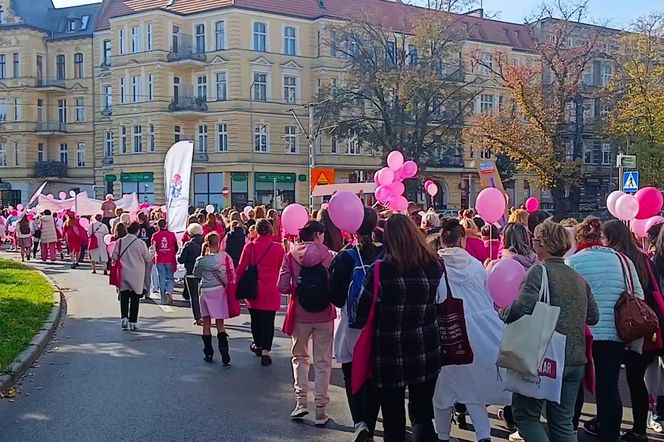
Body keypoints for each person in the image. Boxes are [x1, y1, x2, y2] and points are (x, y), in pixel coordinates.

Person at [504, 220, 599, 440]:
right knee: (563, 422)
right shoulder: (578, 277)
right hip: (575, 359)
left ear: (544, 244)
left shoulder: (539, 272)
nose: (533, 245)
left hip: (542, 357)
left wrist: (503, 312)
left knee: (526, 416)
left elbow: (522, 307)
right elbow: (593, 317)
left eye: (535, 240)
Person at [354, 214, 442, 442]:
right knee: (422, 413)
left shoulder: (380, 270)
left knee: (393, 416)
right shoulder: (434, 264)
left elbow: (360, 312)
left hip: (390, 352)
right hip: (426, 347)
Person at [432, 218, 511, 442]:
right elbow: (489, 298)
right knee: (473, 388)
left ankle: (443, 435)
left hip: (449, 335)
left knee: (443, 391)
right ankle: (484, 436)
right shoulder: (477, 267)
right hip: (478, 335)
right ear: (463, 240)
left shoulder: (437, 267)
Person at [566, 216, 644, 441]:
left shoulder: (574, 262)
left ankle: (570, 429)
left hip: (584, 333)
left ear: (579, 238)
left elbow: (570, 300)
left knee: (577, 384)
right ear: (602, 238)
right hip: (615, 333)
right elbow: (637, 295)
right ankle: (610, 434)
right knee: (609, 387)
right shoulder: (623, 261)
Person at [604, 220, 664, 442]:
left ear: (610, 238)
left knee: (617, 379)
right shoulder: (643, 258)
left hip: (625, 325)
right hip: (646, 324)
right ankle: (640, 428)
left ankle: (614, 425)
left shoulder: (617, 260)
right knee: (637, 380)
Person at [329, 207, 382, 441]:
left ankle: (359, 422)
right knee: (375, 375)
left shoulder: (345, 256)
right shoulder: (387, 253)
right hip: (380, 324)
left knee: (352, 374)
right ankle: (370, 420)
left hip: (352, 326)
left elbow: (337, 297)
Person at [278, 221, 335, 425]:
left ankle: (300, 403)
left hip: (300, 314)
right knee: (323, 362)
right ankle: (321, 410)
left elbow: (282, 286)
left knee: (300, 358)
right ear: (318, 234)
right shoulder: (330, 255)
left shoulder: (290, 255)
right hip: (324, 313)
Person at [236, 218, 285, 366]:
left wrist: (236, 285)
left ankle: (257, 344)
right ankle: (266, 351)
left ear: (256, 230)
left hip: (254, 289)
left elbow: (241, 268)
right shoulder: (278, 248)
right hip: (272, 289)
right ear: (270, 230)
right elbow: (282, 268)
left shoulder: (249, 247)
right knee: (269, 322)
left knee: (255, 320)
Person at [193, 232, 234, 367]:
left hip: (205, 290)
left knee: (206, 321)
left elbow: (196, 274)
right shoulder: (224, 257)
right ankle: (225, 354)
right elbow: (230, 273)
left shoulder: (201, 260)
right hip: (219, 289)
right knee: (220, 323)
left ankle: (208, 352)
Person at [112, 222, 152, 331]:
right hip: (137, 273)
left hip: (123, 272)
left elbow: (114, 256)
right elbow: (148, 258)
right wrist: (152, 252)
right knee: (135, 298)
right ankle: (133, 322)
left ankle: (124, 317)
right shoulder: (140, 243)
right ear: (138, 231)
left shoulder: (119, 241)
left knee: (124, 296)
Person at [152, 219, 178, 305]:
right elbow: (176, 246)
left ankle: (163, 299)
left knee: (161, 278)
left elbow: (152, 248)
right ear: (166, 225)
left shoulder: (155, 235)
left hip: (159, 258)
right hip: (169, 258)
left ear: (158, 226)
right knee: (170, 277)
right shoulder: (171, 234)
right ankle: (169, 291)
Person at [178, 223, 204, 301]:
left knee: (193, 296)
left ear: (190, 233)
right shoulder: (205, 243)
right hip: (203, 271)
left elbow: (181, 260)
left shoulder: (188, 244)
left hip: (190, 271)